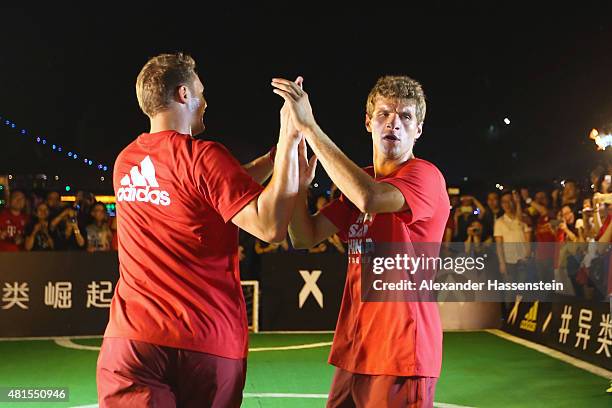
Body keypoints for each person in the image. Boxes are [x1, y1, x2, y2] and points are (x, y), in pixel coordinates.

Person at [96, 53, 300, 408]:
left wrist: (271, 160)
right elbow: (269, 226)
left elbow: (208, 191)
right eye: (200, 93)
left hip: (131, 343)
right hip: (204, 344)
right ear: (183, 94)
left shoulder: (126, 161)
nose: (205, 102)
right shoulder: (203, 155)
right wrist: (290, 140)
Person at [273, 75, 449, 407]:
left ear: (418, 130)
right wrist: (298, 185)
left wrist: (310, 128)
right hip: (357, 348)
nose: (393, 123)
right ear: (368, 122)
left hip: (401, 352)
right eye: (384, 114)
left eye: (405, 117)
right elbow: (304, 236)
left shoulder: (424, 176)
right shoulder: (359, 180)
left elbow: (370, 198)